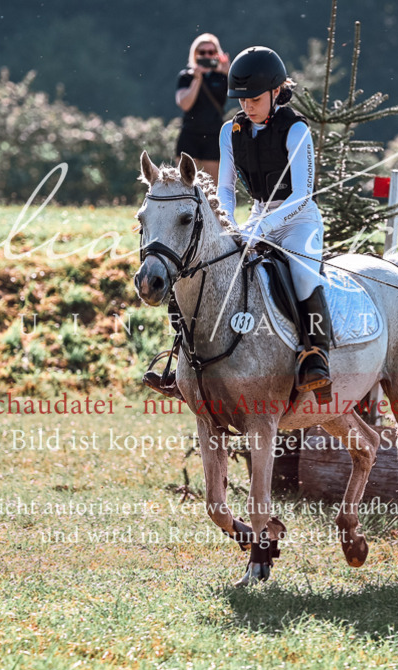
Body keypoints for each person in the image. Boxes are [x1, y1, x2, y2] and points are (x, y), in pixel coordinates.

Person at [144, 46, 333, 404]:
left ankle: (316, 357)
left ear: (277, 92)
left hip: (298, 219)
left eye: (256, 98)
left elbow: (303, 196)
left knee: (304, 275)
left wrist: (261, 229)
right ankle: (184, 363)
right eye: (242, 99)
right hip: (256, 215)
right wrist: (228, 225)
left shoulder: (296, 131)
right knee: (207, 271)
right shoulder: (231, 131)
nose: (247, 106)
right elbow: (226, 189)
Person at [174, 34, 230, 182]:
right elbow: (185, 104)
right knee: (184, 182)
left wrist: (229, 72)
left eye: (211, 52)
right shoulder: (186, 77)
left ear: (217, 54)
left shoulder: (222, 77)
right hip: (190, 133)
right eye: (202, 52)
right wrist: (197, 79)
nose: (206, 55)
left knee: (212, 185)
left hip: (213, 134)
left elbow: (242, 95)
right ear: (195, 54)